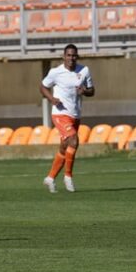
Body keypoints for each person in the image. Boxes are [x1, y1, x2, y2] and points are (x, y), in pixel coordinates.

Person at [40, 43, 95, 193]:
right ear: (64, 56)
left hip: (75, 114)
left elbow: (92, 91)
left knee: (65, 147)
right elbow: (43, 86)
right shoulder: (55, 72)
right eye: (68, 55)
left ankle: (50, 178)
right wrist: (52, 99)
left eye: (74, 55)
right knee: (74, 139)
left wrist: (84, 91)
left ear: (77, 56)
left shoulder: (84, 71)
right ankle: (68, 177)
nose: (71, 58)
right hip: (60, 113)